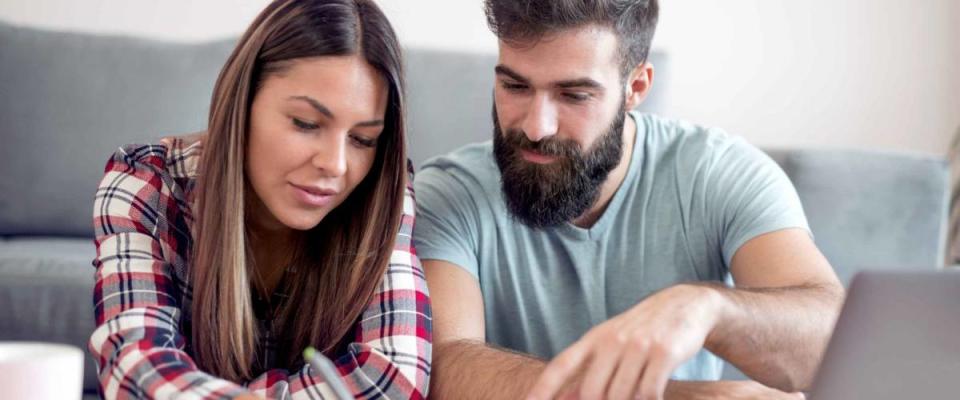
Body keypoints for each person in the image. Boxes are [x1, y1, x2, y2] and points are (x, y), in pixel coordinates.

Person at [413, 0, 843, 399]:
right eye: (515, 86)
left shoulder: (718, 172)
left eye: (574, 95)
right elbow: (446, 367)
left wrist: (706, 308)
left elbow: (830, 343)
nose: (537, 127)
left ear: (636, 86)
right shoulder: (447, 193)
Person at [88, 1, 431, 398]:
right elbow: (135, 370)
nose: (335, 165)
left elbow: (392, 380)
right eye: (305, 123)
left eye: (362, 139)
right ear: (242, 103)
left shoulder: (383, 195)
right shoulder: (144, 183)